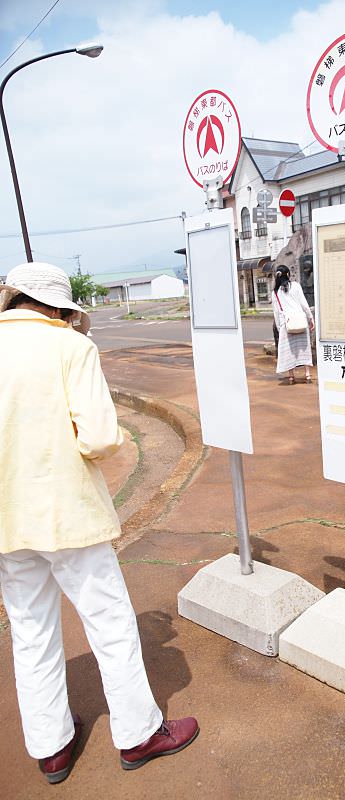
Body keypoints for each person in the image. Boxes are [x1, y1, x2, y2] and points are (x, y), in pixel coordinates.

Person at [0, 263, 199, 784]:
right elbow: (100, 438)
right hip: (67, 514)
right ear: (59, 308)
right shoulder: (70, 348)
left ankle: (52, 746)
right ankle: (138, 734)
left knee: (31, 630)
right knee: (108, 622)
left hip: (6, 519)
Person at [271, 265, 314, 384]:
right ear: (288, 274)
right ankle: (308, 374)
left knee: (289, 351)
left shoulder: (275, 292)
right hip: (300, 321)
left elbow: (277, 312)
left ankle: (291, 377)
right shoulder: (296, 286)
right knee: (304, 349)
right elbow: (304, 304)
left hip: (287, 324)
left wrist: (280, 328)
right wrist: (311, 318)